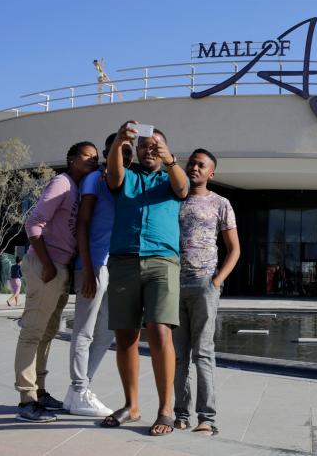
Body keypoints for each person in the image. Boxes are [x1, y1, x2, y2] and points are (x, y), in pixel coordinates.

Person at [101, 122, 189, 436]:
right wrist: (118, 142)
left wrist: (170, 159)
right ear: (136, 150)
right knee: (125, 336)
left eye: (155, 146)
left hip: (162, 262)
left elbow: (183, 189)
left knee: (160, 332)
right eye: (143, 146)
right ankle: (132, 406)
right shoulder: (127, 176)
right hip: (124, 261)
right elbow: (113, 177)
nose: (149, 150)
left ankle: (165, 410)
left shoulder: (170, 178)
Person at [14, 141, 99, 423]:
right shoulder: (62, 183)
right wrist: (48, 265)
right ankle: (27, 400)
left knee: (47, 333)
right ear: (72, 159)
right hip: (46, 265)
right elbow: (33, 224)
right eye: (86, 156)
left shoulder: (78, 188)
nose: (92, 161)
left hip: (60, 267)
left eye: (95, 158)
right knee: (32, 332)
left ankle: (39, 391)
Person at [174, 149, 240, 436]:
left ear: (211, 173)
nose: (194, 168)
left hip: (204, 284)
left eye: (201, 165)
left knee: (202, 353)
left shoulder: (221, 203)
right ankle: (180, 414)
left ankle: (207, 418)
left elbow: (234, 249)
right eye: (192, 163)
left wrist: (216, 282)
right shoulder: (174, 198)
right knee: (178, 356)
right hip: (174, 285)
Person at [65, 134, 131, 417]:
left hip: (112, 266)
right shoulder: (94, 179)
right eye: (118, 151)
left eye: (128, 152)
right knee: (84, 331)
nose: (124, 157)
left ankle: (78, 391)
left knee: (106, 332)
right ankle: (79, 390)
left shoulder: (125, 181)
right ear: (107, 153)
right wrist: (89, 269)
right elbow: (83, 223)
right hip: (93, 265)